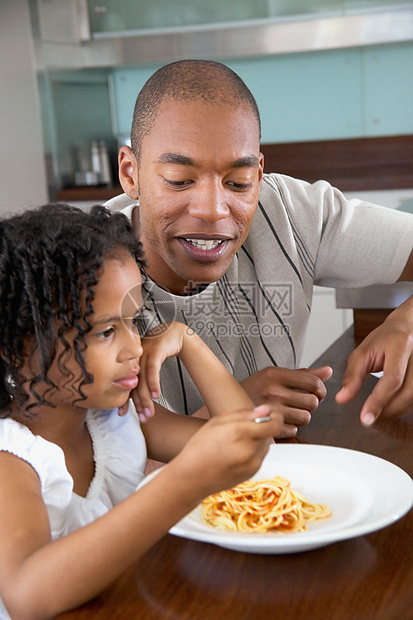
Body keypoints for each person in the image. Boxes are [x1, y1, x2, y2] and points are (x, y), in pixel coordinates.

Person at [0, 203, 281, 618]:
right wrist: (183, 482)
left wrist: (187, 341)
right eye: (106, 331)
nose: (134, 347)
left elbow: (251, 444)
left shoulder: (110, 421)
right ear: (21, 350)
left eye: (133, 322)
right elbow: (26, 595)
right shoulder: (13, 462)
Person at [106, 58, 413, 434]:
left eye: (239, 182)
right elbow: (94, 469)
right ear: (130, 173)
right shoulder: (83, 268)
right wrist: (231, 407)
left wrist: (407, 321)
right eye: (179, 180)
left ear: (260, 174)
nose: (213, 210)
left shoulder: (290, 211)